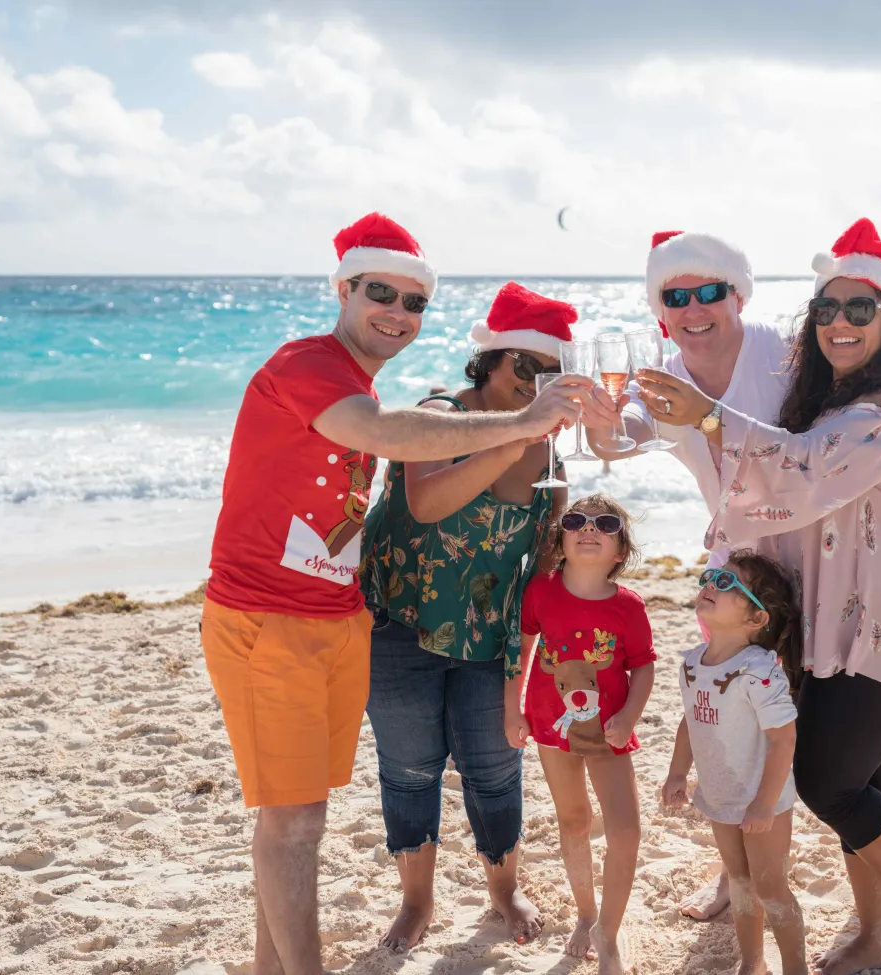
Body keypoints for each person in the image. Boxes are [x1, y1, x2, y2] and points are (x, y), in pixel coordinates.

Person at [199, 213, 595, 975]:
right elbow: (390, 440)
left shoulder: (360, 380)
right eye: (382, 292)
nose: (399, 313)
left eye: (416, 302)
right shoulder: (311, 364)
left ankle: (268, 967)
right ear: (344, 288)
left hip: (341, 617)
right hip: (268, 616)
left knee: (294, 817)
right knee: (296, 820)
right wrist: (523, 423)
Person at [584, 228, 881, 921]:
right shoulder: (807, 380)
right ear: (658, 310)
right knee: (851, 769)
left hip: (875, 612)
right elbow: (625, 429)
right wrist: (603, 430)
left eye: (709, 291)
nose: (838, 324)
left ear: (738, 294)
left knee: (829, 777)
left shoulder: (849, 387)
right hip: (794, 591)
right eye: (826, 311)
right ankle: (872, 929)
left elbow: (807, 466)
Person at [359, 282, 595, 951]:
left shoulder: (548, 453)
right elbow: (429, 501)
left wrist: (541, 657)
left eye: (551, 375)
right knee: (408, 769)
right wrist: (519, 432)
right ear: (488, 361)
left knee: (495, 767)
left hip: (488, 636)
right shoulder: (435, 412)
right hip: (398, 623)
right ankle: (417, 901)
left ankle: (503, 889)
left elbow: (548, 561)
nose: (535, 386)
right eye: (525, 367)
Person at [508, 494, 656, 975]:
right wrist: (513, 710)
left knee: (626, 831)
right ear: (562, 540)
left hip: (609, 732)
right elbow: (522, 654)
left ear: (619, 551)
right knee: (573, 821)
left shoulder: (629, 608)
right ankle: (586, 914)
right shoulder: (541, 591)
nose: (588, 528)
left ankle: (607, 934)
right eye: (576, 521)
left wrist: (630, 717)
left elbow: (644, 669)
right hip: (551, 728)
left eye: (605, 523)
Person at [663, 551, 807, 975]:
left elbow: (784, 738)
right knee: (741, 883)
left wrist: (764, 803)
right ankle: (752, 963)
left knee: (770, 886)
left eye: (726, 583)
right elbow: (690, 720)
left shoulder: (759, 670)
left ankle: (795, 968)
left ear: (756, 619)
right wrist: (677, 772)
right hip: (719, 792)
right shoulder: (692, 664)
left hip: (764, 798)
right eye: (710, 577)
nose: (709, 585)